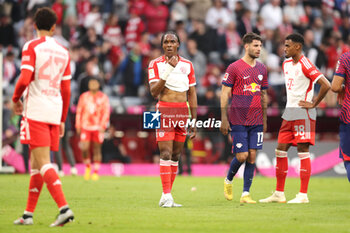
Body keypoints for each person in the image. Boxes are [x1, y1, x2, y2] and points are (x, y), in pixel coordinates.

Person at [12, 7, 74, 226]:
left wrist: (15, 98)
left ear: (34, 25)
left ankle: (64, 208)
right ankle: (28, 214)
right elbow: (66, 90)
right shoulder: (63, 51)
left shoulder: (31, 46)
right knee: (37, 163)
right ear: (54, 27)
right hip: (54, 110)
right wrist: (63, 118)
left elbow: (24, 78)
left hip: (36, 109)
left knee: (44, 162)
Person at [260, 33, 331, 204]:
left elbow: (326, 84)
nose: (284, 49)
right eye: (284, 45)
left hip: (303, 113)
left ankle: (303, 195)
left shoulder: (305, 64)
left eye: (287, 46)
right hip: (289, 113)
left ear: (297, 47)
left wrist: (314, 103)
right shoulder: (286, 64)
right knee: (280, 150)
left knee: (302, 151)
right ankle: (279, 193)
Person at [148, 31, 197, 207]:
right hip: (164, 111)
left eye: (172, 41)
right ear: (162, 45)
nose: (169, 44)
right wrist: (168, 68)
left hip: (183, 112)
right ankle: (167, 195)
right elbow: (154, 92)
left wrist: (194, 119)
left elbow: (191, 93)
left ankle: (166, 195)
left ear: (178, 45)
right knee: (166, 153)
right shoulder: (155, 64)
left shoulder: (188, 65)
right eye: (166, 42)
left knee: (176, 155)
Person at [221, 32, 268, 204]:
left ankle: (246, 194)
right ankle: (228, 180)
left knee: (252, 156)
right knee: (242, 156)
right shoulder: (234, 67)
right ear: (246, 46)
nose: (258, 49)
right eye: (255, 46)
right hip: (238, 117)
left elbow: (263, 95)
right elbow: (225, 93)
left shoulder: (262, 68)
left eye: (260, 46)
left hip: (256, 119)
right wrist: (224, 118)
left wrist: (265, 118)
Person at [75, 77, 110, 181]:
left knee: (97, 149)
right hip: (85, 126)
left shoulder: (103, 97)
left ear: (98, 85)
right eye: (91, 83)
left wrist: (103, 126)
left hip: (98, 126)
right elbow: (79, 111)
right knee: (84, 148)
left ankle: (96, 171)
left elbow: (106, 112)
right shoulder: (84, 97)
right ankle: (87, 166)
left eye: (95, 83)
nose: (93, 85)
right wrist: (78, 125)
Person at [331, 51, 350, 182]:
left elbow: (335, 86)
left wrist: (343, 87)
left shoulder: (346, 57)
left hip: (349, 115)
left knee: (348, 158)